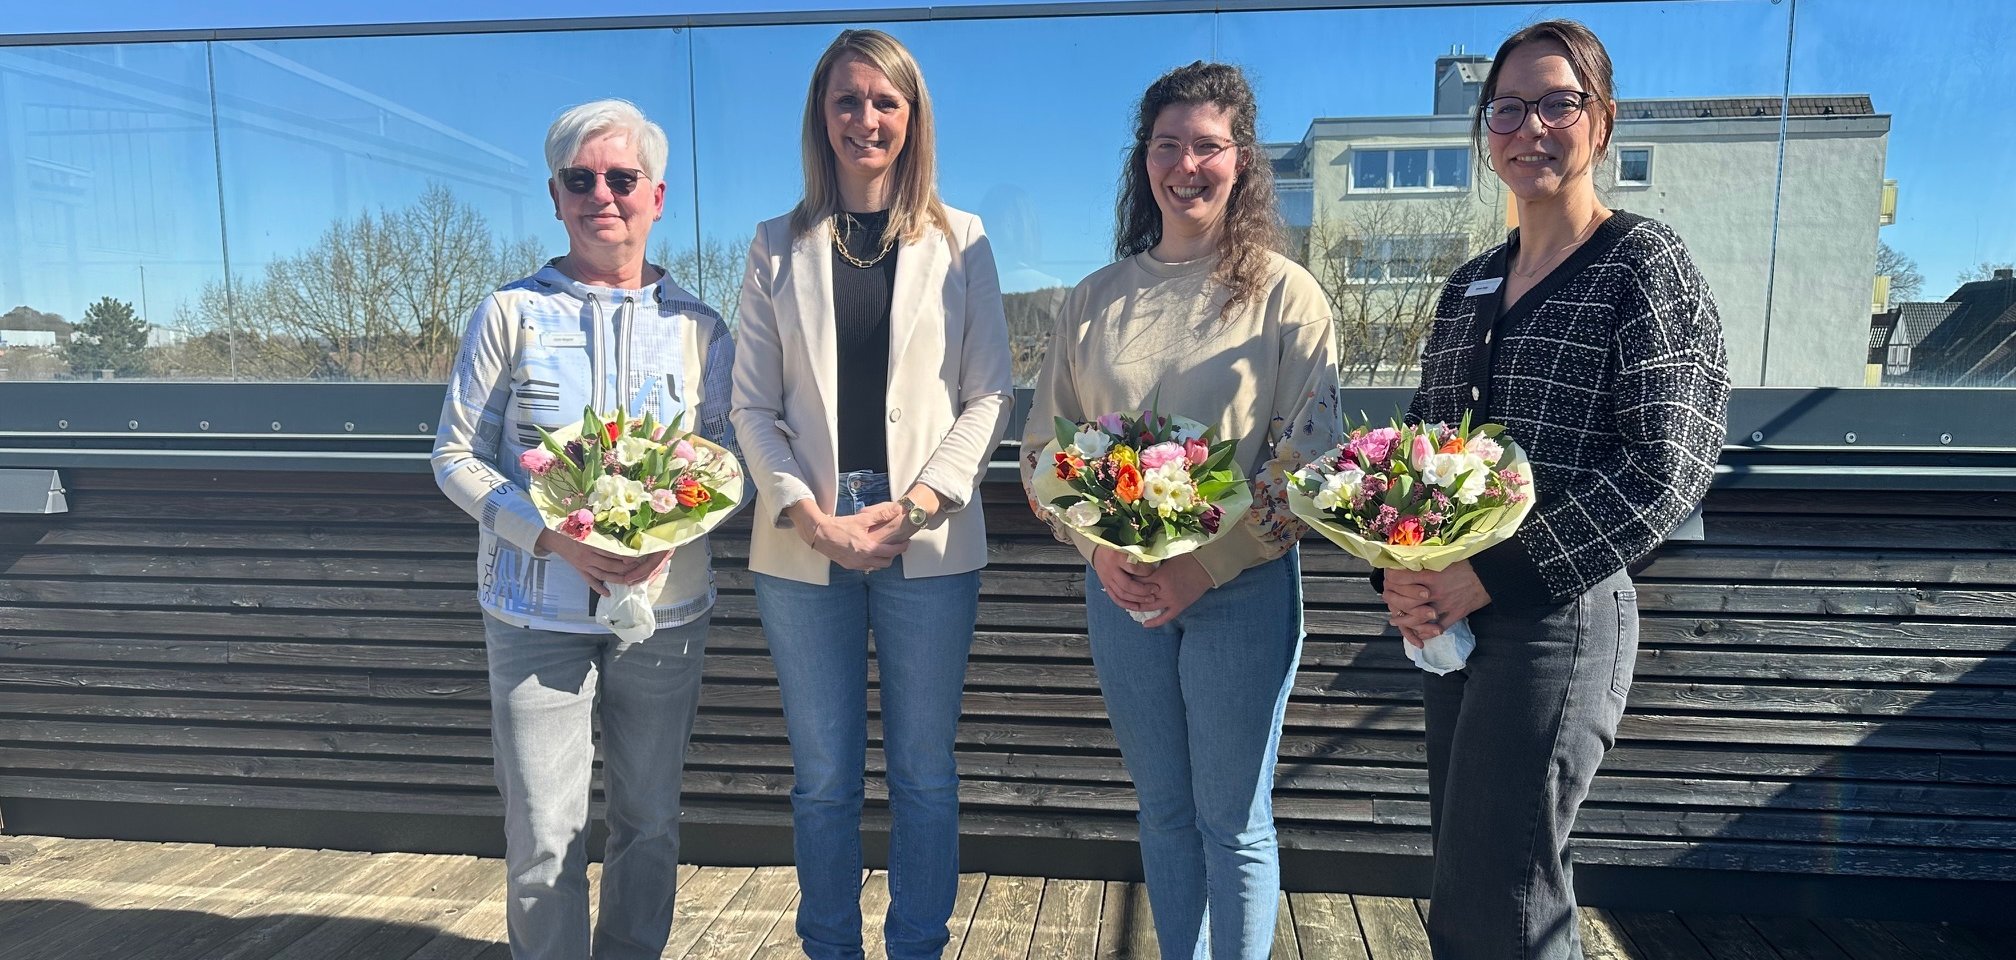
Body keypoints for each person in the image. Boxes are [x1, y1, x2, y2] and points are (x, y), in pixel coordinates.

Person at [1378, 20, 1730, 960]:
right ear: (1485, 132)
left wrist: (1487, 576)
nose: (1529, 125)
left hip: (1558, 619)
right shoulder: (1468, 287)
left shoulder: (1643, 266)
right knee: (1466, 883)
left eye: (1557, 103)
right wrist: (1400, 574)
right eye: (1506, 108)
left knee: (1508, 895)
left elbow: (1667, 468)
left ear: (1602, 123)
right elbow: (1418, 450)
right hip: (1451, 620)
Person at [1020, 61, 1340, 960]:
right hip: (1122, 593)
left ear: (1242, 162)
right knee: (1162, 811)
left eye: (1208, 146)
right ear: (1144, 161)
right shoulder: (1094, 300)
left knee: (1232, 818)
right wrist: (1097, 552)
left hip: (1239, 589)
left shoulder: (1286, 295)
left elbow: (1310, 456)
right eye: (1168, 145)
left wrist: (1209, 562)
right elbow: (1046, 451)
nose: (1186, 165)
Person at [729, 28, 1012, 960]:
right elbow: (751, 405)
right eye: (847, 100)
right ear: (822, 115)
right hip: (802, 548)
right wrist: (808, 516)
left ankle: (920, 945)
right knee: (823, 780)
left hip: (926, 546)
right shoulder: (775, 245)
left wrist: (925, 500)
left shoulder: (962, 241)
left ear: (912, 115)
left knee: (925, 775)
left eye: (884, 101)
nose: (865, 119)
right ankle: (830, 947)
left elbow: (988, 395)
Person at [431, 99, 737, 960]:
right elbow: (455, 456)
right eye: (580, 179)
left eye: (621, 178)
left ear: (657, 196)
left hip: (665, 611)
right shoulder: (509, 315)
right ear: (557, 196)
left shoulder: (702, 329)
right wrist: (550, 535)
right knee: (542, 835)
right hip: (534, 614)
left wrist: (679, 527)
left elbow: (726, 463)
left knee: (650, 822)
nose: (602, 194)